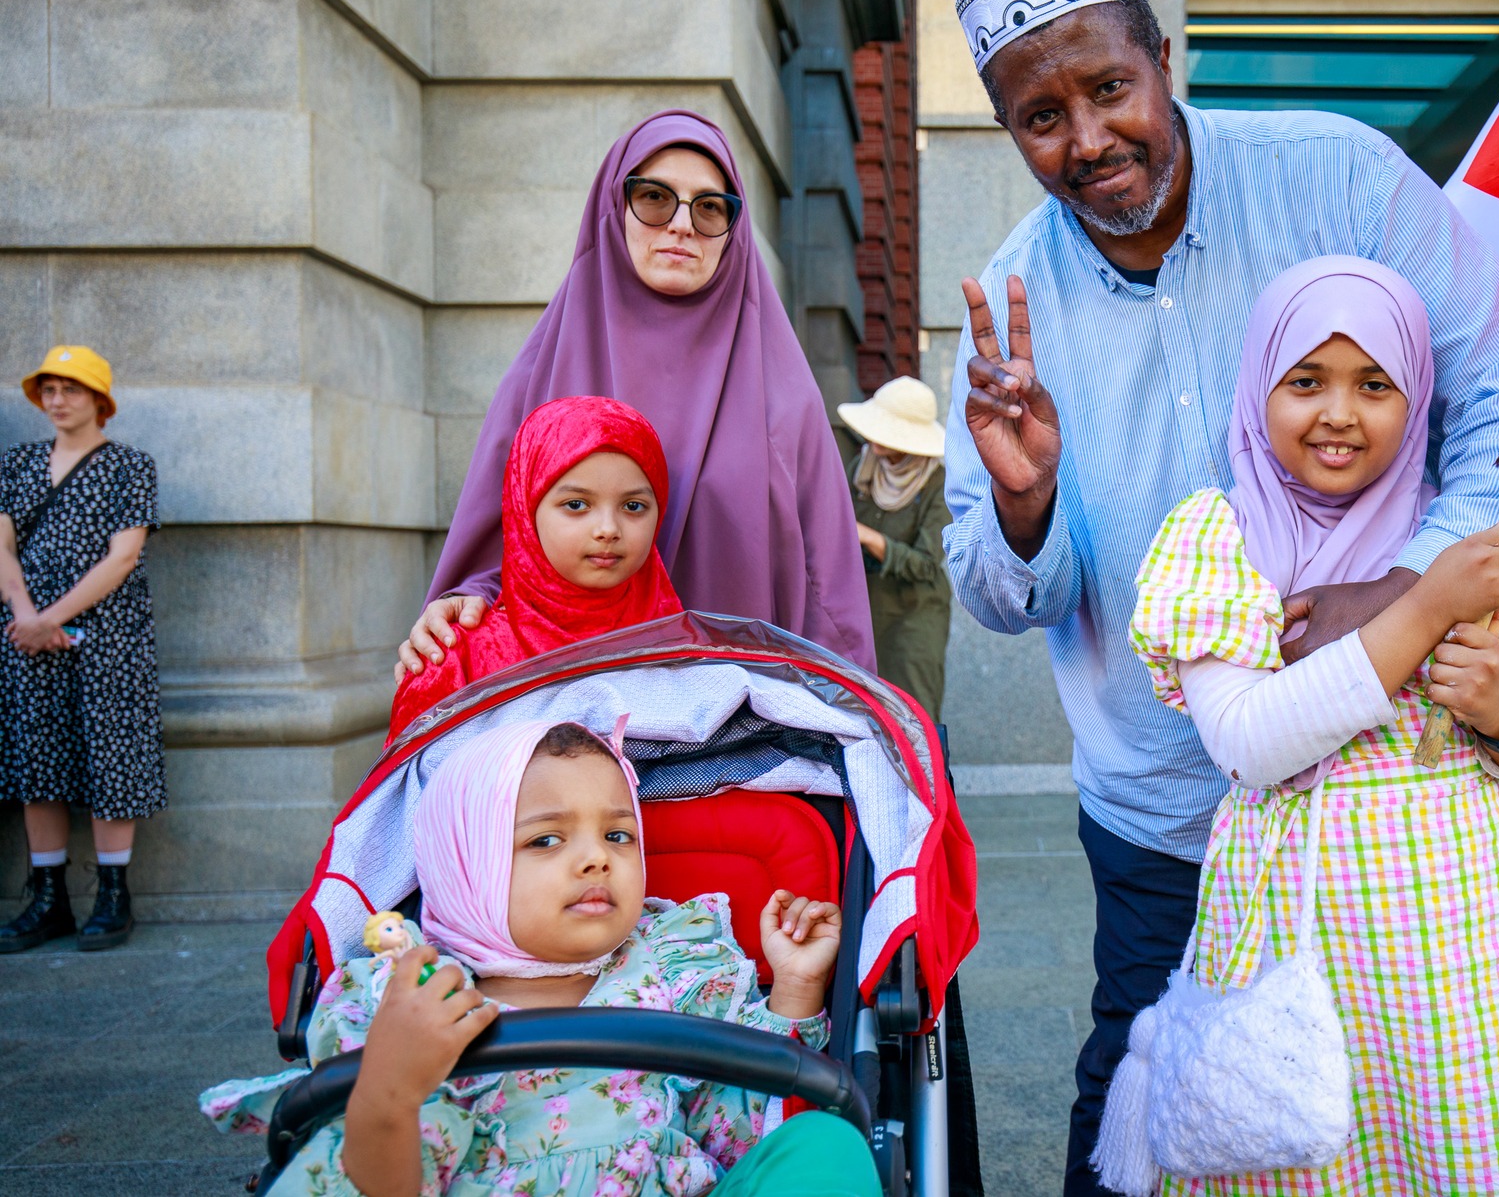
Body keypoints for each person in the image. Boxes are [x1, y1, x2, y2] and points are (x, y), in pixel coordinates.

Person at [942, 0, 1499, 1193]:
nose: (1087, 140)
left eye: (1108, 89)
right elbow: (1002, 592)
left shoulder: (1337, 177)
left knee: (1406, 1128)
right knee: (1145, 1118)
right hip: (1164, 816)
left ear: (1162, 59)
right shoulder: (1011, 305)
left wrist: (1406, 591)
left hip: (1393, 809)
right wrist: (1025, 502)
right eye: (1041, 119)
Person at [1122, 258, 1499, 1194]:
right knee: (1312, 1158)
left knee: (1472, 1154)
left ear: (1418, 396)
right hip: (1298, 936)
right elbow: (1249, 742)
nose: (1340, 414)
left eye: (1375, 385)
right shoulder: (1221, 536)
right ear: (1259, 388)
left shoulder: (1462, 539)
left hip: (1472, 942)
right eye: (1307, 381)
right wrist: (1424, 607)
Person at [202, 717, 881, 1197]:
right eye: (546, 840)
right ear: (465, 864)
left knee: (824, 1144)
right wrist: (391, 1090)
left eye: (619, 835)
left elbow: (738, 1137)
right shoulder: (405, 993)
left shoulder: (677, 963)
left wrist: (794, 988)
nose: (596, 858)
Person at [399, 110, 874, 684]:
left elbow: (827, 594)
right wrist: (460, 603)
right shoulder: (542, 373)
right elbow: (492, 558)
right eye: (654, 198)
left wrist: (844, 702)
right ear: (614, 209)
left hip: (733, 722)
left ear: (735, 229)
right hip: (569, 712)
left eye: (709, 207)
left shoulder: (784, 396)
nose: (682, 226)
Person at [387, 396, 682, 739]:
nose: (608, 529)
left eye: (633, 506)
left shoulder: (684, 648)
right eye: (576, 504)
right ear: (525, 511)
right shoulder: (454, 656)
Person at [0, 346, 162, 954]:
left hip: (109, 638)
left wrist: (51, 618)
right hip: (28, 638)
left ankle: (113, 895)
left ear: (99, 399)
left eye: (71, 388)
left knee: (111, 756)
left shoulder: (129, 467)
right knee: (37, 760)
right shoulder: (17, 464)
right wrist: (25, 615)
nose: (58, 400)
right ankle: (48, 899)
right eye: (49, 389)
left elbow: (123, 558)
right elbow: (2, 546)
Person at [838, 376, 952, 719]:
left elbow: (927, 563)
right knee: (861, 713)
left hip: (914, 613)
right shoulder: (861, 468)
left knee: (914, 713)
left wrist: (870, 538)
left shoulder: (938, 483)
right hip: (863, 608)